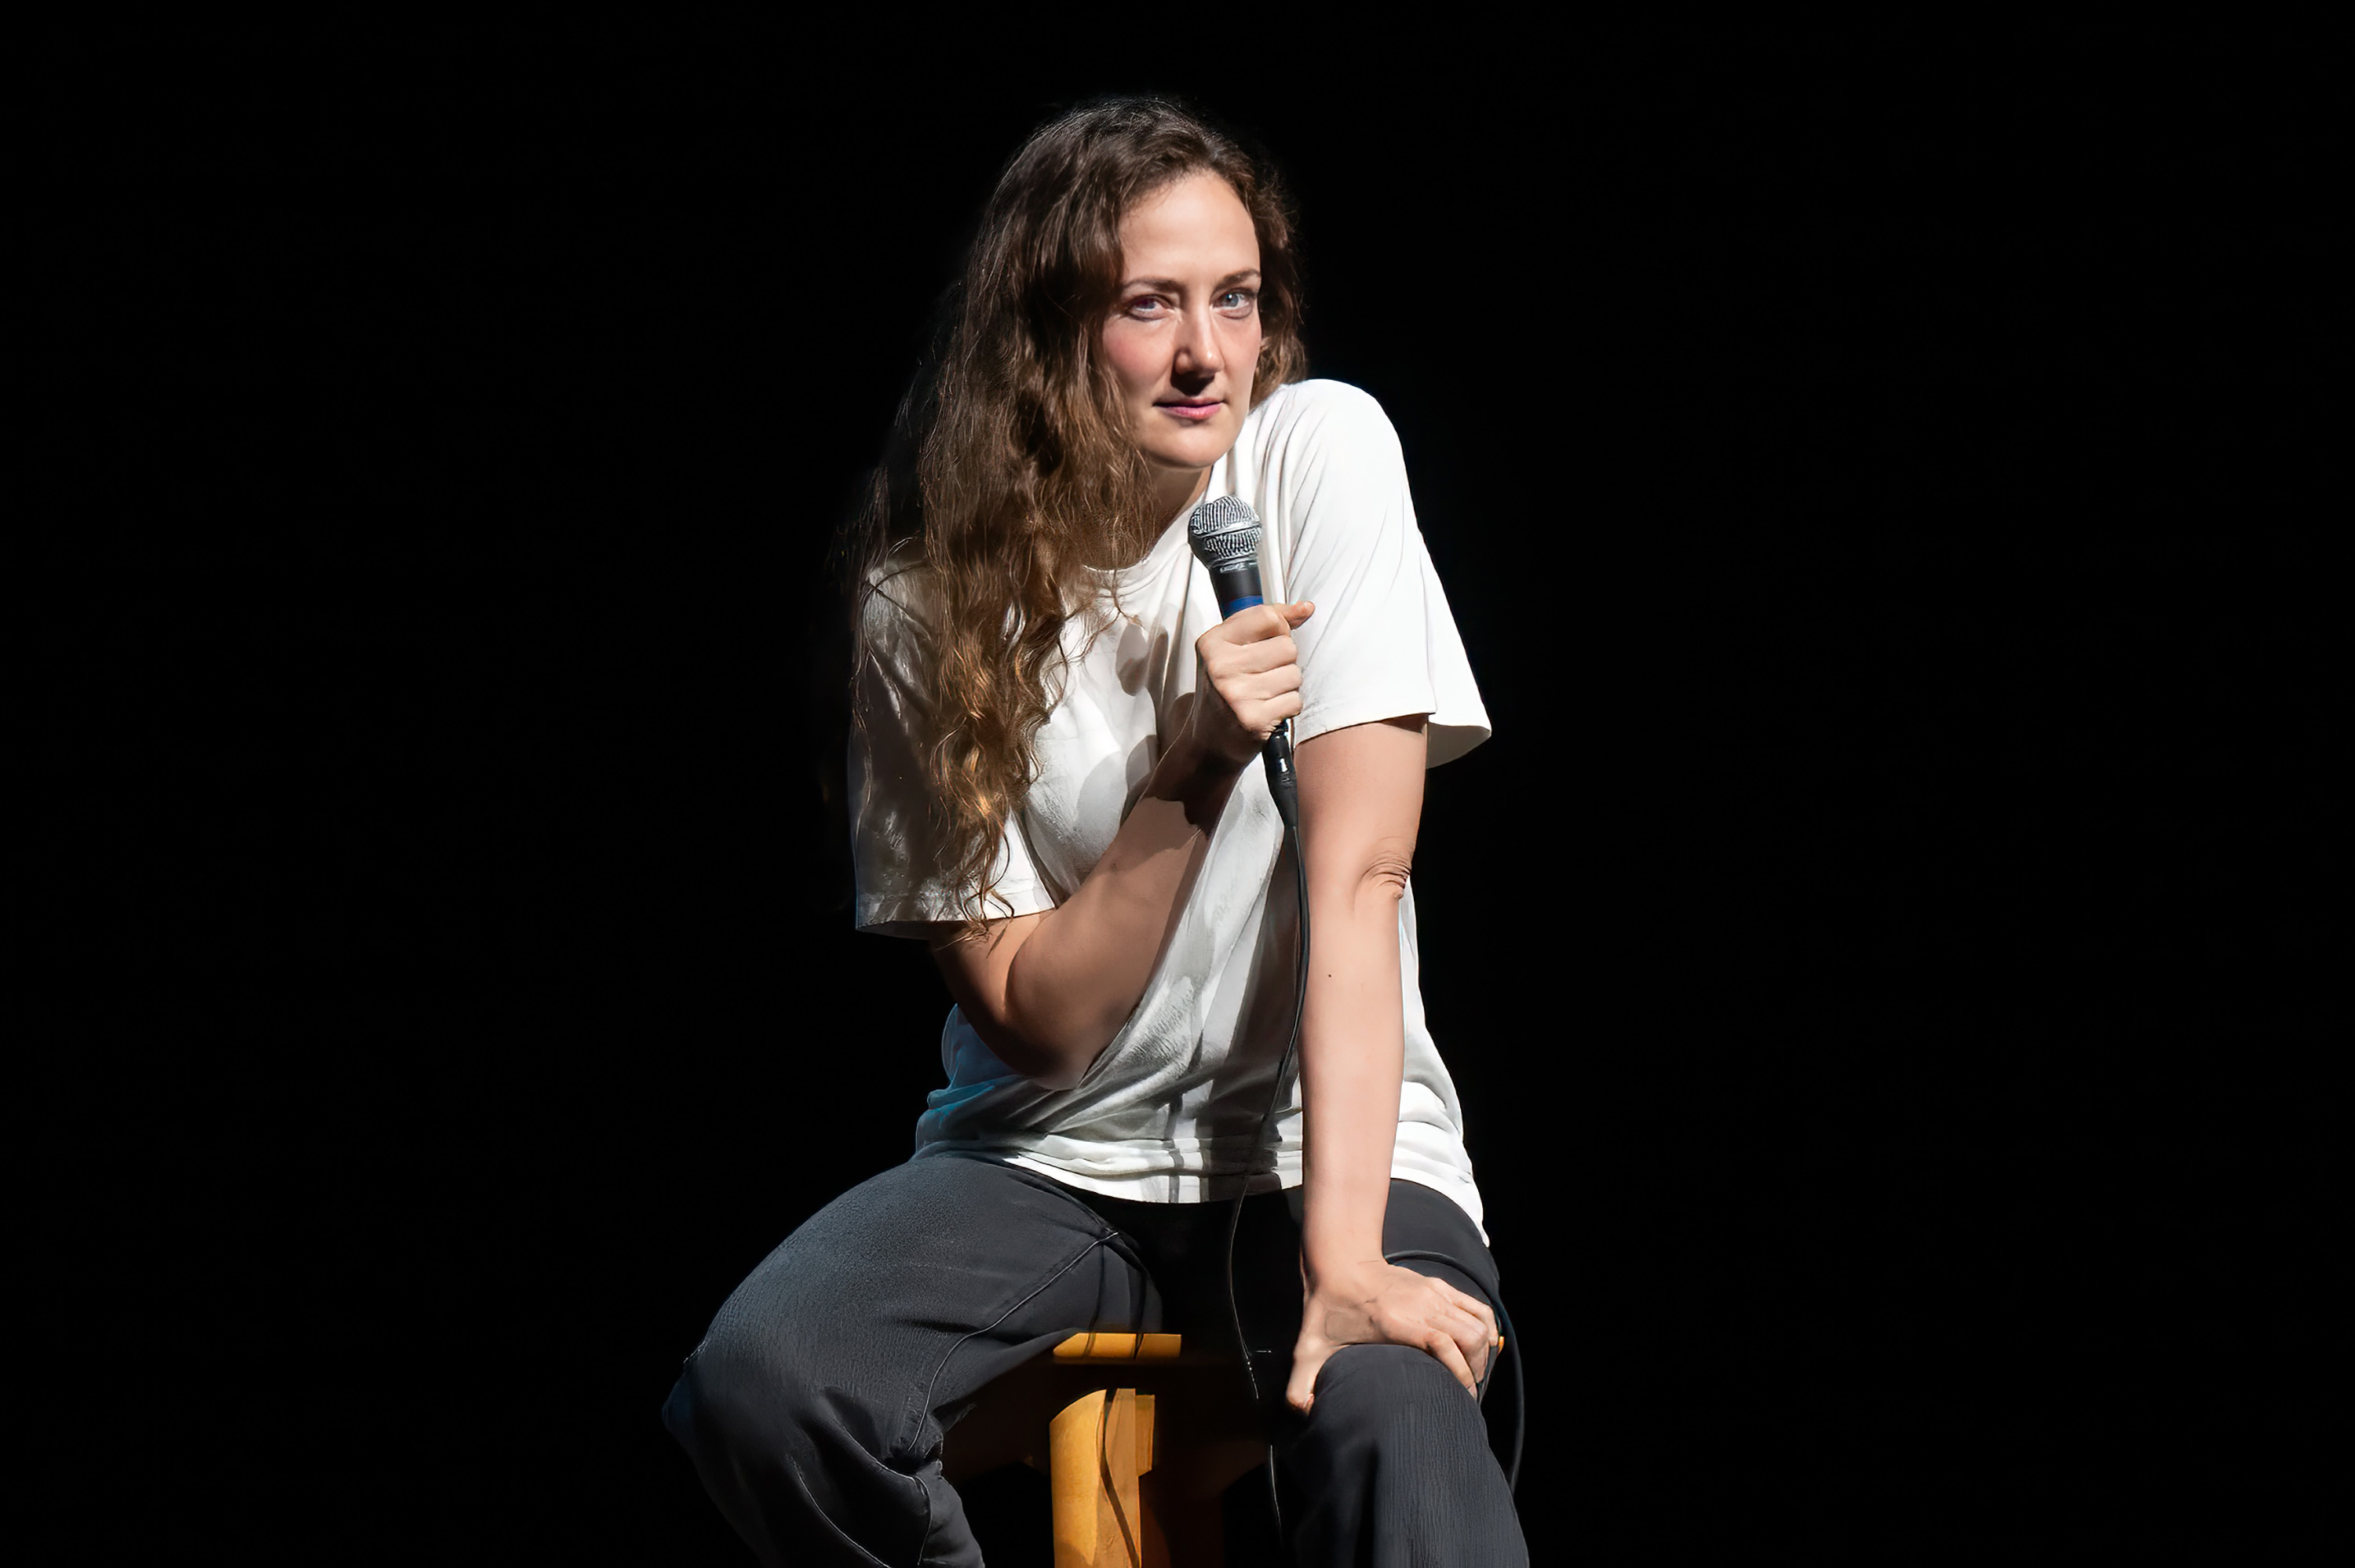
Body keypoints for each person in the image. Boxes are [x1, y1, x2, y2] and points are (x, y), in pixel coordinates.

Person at [664, 97, 1525, 1565]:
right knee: (764, 1383)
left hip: (1333, 1153)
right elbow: (1037, 1026)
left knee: (1401, 1414)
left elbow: (1362, 868)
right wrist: (1187, 770)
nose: (1207, 352)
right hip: (1053, 1167)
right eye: (1150, 305)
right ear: (1053, 330)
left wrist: (1344, 1264)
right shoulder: (926, 601)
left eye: (1235, 300)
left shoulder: (1318, 456)